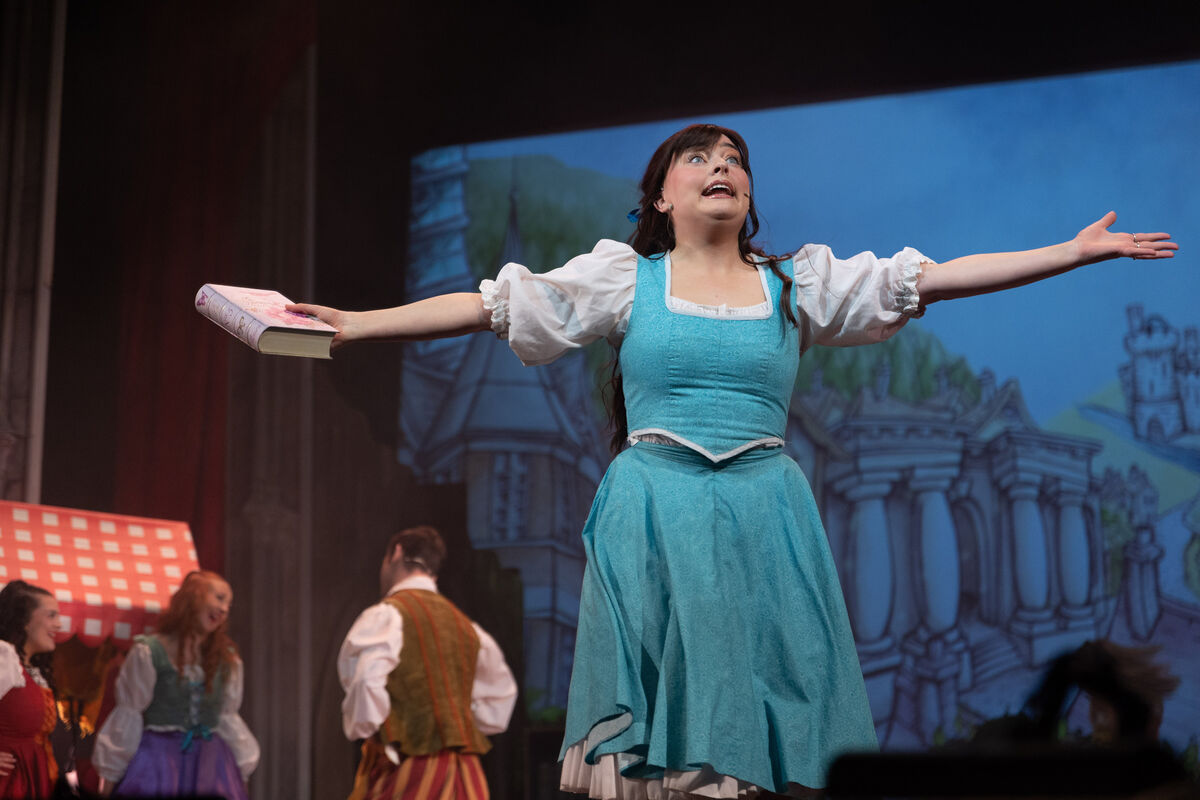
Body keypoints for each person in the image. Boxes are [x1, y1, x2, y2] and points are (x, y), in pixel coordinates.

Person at [290, 123, 1178, 798]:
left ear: (748, 199)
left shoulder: (797, 284)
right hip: (655, 505)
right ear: (662, 198)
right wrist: (358, 324)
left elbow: (936, 277)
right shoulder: (621, 281)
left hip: (764, 507)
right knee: (669, 732)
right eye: (698, 159)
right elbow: (487, 308)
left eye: (735, 160)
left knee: (771, 712)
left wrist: (1070, 252)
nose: (722, 166)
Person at [338, 525, 518, 800]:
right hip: (465, 774)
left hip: (411, 769)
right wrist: (454, 724)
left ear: (396, 553)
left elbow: (365, 683)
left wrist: (371, 729)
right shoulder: (468, 628)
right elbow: (500, 699)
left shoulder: (387, 616)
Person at [92, 570, 259, 798]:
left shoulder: (227, 659)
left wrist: (241, 777)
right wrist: (109, 780)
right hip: (158, 761)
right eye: (219, 598)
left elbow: (228, 720)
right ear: (192, 598)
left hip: (211, 764)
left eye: (228, 604)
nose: (224, 609)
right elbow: (128, 715)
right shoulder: (150, 651)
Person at [0, 580, 61, 800]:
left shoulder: (31, 671)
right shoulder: (3, 657)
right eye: (51, 615)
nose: (59, 624)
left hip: (31, 780)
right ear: (25, 621)